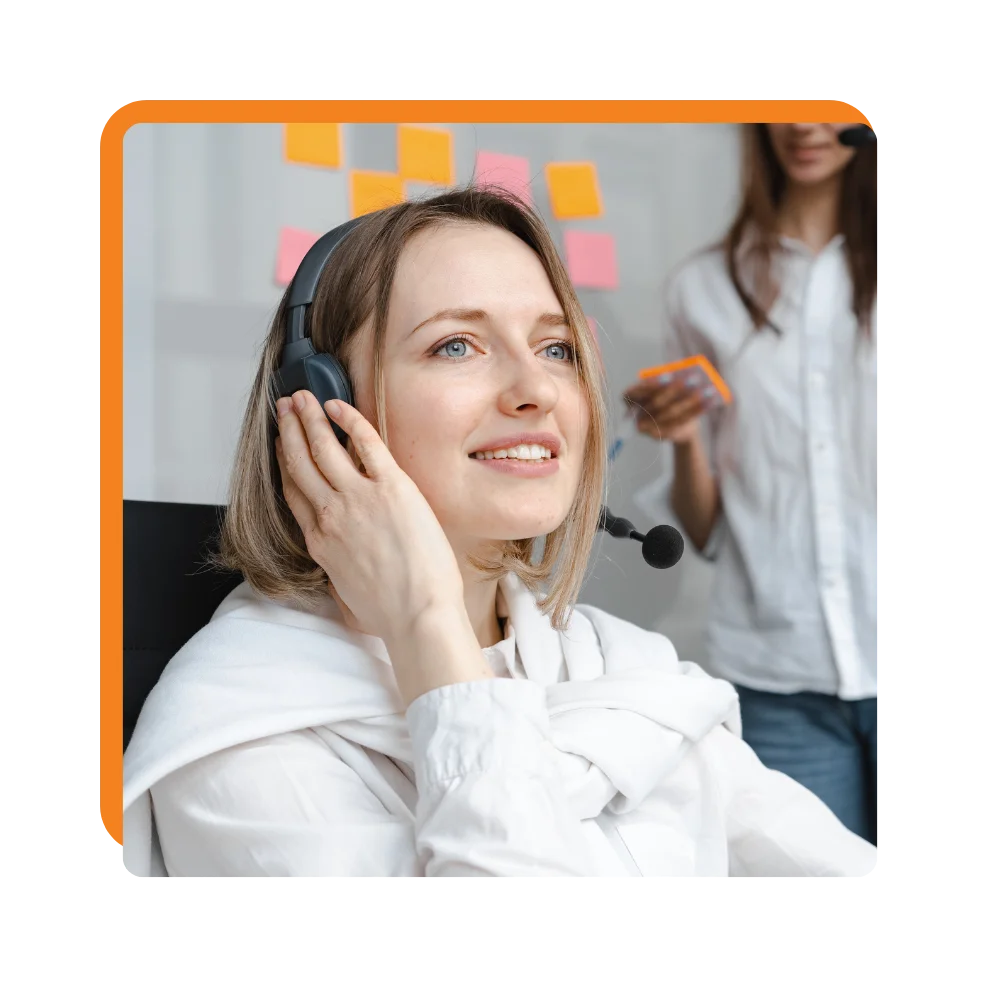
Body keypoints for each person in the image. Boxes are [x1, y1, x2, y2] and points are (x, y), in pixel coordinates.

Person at [121, 184, 879, 879]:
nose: (537, 390)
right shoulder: (241, 747)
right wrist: (428, 627)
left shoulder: (624, 674)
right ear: (320, 407)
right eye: (457, 345)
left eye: (556, 349)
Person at [622, 123, 879, 845]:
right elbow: (701, 530)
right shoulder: (702, 289)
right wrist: (680, 442)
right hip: (775, 669)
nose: (804, 124)